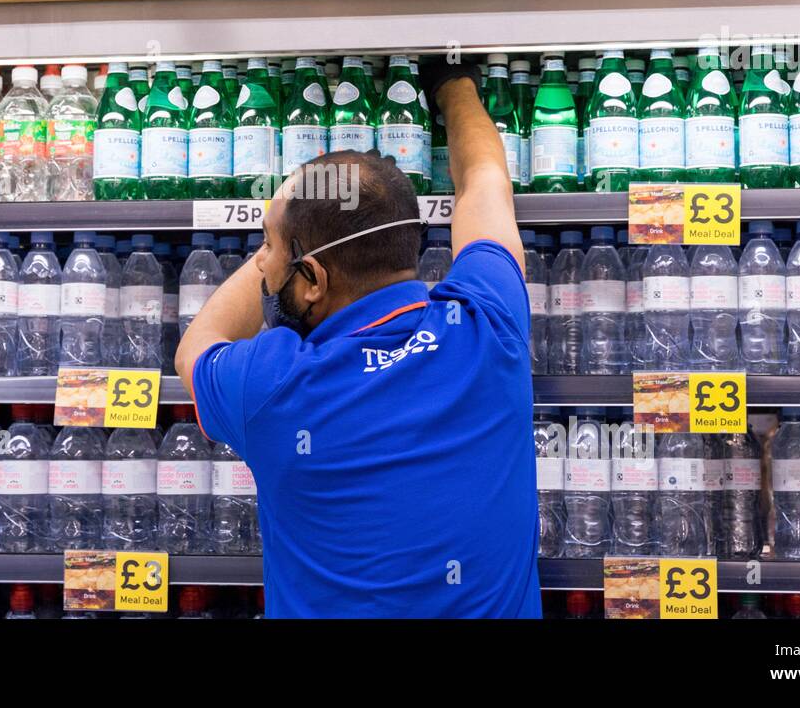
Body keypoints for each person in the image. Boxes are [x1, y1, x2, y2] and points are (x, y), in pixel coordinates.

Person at [176, 56, 539, 618]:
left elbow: (198, 343)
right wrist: (452, 84)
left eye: (266, 246)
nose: (263, 263)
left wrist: (293, 236)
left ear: (314, 280)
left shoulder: (271, 382)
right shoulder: (487, 327)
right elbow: (484, 182)